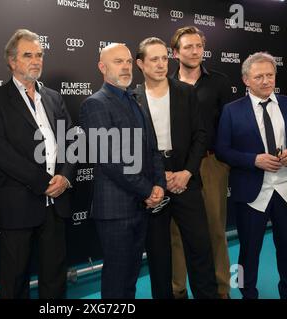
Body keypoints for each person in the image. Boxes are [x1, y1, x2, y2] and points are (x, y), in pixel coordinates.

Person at [0, 29, 75, 299]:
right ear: (12, 61)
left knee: (55, 278)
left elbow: (71, 143)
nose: (36, 60)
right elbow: (1, 152)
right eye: (28, 55)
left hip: (57, 204)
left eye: (40, 55)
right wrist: (44, 183)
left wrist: (65, 178)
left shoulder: (54, 97)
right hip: (19, 203)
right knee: (14, 279)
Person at [216, 52, 287, 299]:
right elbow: (222, 150)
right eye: (259, 76)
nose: (266, 81)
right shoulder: (231, 111)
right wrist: (253, 160)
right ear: (246, 79)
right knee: (248, 253)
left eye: (270, 75)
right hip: (252, 194)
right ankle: (248, 294)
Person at [79, 43, 165, 299]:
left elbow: (153, 148)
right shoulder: (94, 104)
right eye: (118, 62)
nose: (126, 67)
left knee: (131, 278)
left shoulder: (136, 100)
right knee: (117, 280)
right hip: (116, 209)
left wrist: (159, 183)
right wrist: (148, 189)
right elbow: (110, 159)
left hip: (141, 206)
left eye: (128, 61)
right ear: (102, 67)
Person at [134, 37, 217, 299]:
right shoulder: (132, 97)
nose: (161, 64)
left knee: (200, 247)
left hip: (185, 176)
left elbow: (200, 135)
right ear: (140, 64)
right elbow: (130, 145)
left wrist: (187, 173)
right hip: (152, 181)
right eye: (153, 59)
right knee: (159, 254)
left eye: (163, 58)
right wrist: (157, 176)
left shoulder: (185, 91)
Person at [169, 26, 232, 299]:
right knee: (176, 233)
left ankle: (220, 290)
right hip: (176, 169)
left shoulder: (218, 82)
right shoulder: (166, 84)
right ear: (175, 52)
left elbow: (228, 126)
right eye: (187, 47)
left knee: (216, 230)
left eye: (198, 46)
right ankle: (177, 290)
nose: (195, 51)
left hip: (210, 165)